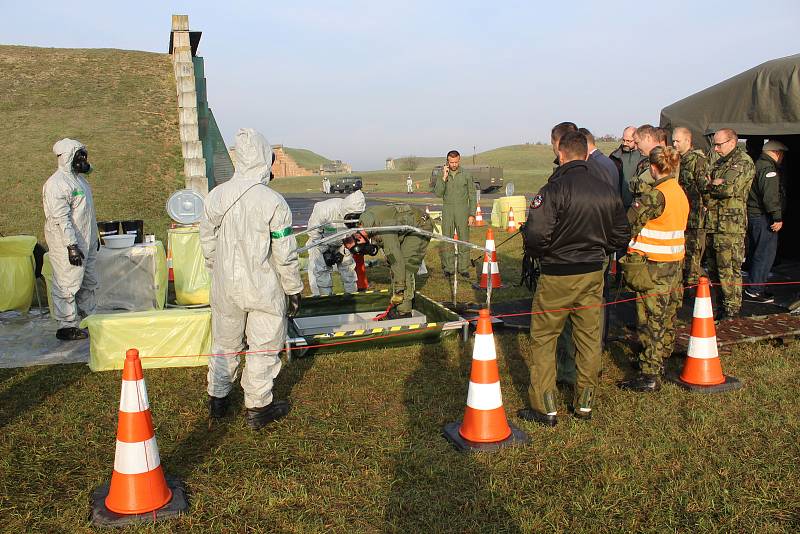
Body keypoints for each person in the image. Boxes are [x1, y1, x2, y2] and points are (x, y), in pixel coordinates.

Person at [519, 131, 629, 425]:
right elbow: (621, 234)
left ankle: (545, 406)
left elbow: (535, 235)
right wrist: (599, 249)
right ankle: (584, 403)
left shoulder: (553, 189)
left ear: (563, 154)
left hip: (558, 274)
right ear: (585, 154)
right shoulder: (606, 189)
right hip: (593, 272)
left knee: (544, 338)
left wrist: (543, 253)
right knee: (589, 338)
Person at [199, 128, 304, 430]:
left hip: (225, 287)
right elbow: (284, 251)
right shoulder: (272, 201)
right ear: (263, 159)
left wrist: (216, 272)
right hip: (262, 285)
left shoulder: (215, 196)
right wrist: (293, 288)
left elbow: (207, 241)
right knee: (263, 344)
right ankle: (258, 406)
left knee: (224, 341)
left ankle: (218, 398)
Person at [618, 146, 689, 392]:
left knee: (649, 320)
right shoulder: (679, 192)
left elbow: (627, 224)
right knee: (667, 316)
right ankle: (660, 359)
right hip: (674, 266)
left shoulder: (655, 195)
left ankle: (649, 373)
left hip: (653, 267)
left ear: (653, 167)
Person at [42, 138, 99, 341]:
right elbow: (60, 219)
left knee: (89, 281)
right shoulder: (57, 184)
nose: (83, 160)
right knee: (68, 282)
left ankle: (89, 319)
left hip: (86, 240)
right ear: (68, 157)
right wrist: (71, 245)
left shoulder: (79, 180)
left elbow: (86, 215)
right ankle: (66, 325)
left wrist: (95, 238)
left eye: (84, 155)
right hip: (68, 242)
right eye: (79, 156)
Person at [344, 204, 432, 319]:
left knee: (405, 267)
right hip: (406, 227)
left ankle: (404, 312)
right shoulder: (366, 222)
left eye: (361, 247)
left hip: (420, 226)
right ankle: (398, 305)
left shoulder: (384, 231)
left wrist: (400, 289)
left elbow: (397, 262)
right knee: (395, 265)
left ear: (358, 236)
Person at [703, 128, 756, 319]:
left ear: (732, 142)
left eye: (719, 144)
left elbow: (727, 188)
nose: (715, 149)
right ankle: (720, 309)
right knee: (714, 271)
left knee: (729, 271)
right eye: (714, 144)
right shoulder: (720, 163)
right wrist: (712, 183)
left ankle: (732, 311)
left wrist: (714, 184)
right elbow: (705, 185)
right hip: (713, 225)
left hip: (730, 228)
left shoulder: (743, 161)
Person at [745, 140, 788, 303]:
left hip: (755, 215)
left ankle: (756, 286)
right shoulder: (769, 169)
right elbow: (770, 197)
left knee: (757, 252)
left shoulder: (757, 165)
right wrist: (777, 217)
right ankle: (755, 290)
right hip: (763, 217)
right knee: (765, 254)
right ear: (777, 152)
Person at [307, 190, 366, 296]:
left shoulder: (357, 216)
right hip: (320, 243)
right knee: (321, 272)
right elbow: (313, 233)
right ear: (346, 211)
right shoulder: (324, 210)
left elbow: (353, 232)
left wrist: (345, 247)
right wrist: (325, 251)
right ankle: (325, 299)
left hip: (342, 243)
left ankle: (352, 297)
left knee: (348, 270)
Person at [672, 127, 709, 285]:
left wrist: (706, 206)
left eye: (677, 141)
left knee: (693, 257)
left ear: (688, 141)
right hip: (681, 216)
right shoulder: (677, 159)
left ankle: (693, 289)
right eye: (673, 140)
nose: (674, 144)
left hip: (695, 218)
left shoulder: (697, 160)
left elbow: (704, 187)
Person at [431, 150, 476, 279]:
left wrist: (472, 214)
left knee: (464, 240)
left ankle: (463, 268)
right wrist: (443, 178)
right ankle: (449, 268)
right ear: (447, 161)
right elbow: (438, 193)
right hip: (448, 211)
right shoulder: (442, 175)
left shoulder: (466, 174)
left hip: (463, 211)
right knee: (447, 241)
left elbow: (472, 196)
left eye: (456, 162)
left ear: (459, 160)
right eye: (451, 162)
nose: (454, 164)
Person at [609, 126, 645, 210]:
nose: (625, 143)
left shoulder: (644, 157)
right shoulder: (615, 156)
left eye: (628, 141)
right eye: (623, 140)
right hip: (618, 204)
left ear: (636, 140)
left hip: (636, 205)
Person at [629, 124, 667, 202]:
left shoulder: (665, 158)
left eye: (637, 143)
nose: (635, 147)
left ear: (648, 138)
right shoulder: (645, 162)